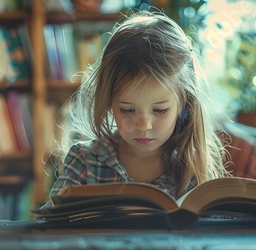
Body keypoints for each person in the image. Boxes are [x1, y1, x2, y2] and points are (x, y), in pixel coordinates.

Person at [42, 10, 230, 208]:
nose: (143, 125)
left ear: (184, 104)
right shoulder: (85, 161)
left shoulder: (192, 169)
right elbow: (51, 226)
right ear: (109, 102)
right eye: (128, 110)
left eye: (159, 110)